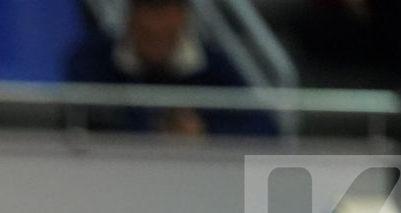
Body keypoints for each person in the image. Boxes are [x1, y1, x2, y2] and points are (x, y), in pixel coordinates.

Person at [66, 0, 277, 137]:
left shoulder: (213, 66)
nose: (154, 25)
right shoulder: (93, 61)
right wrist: (149, 131)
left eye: (165, 10)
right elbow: (71, 124)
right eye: (148, 9)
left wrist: (206, 132)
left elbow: (265, 129)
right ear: (130, 16)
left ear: (184, 16)